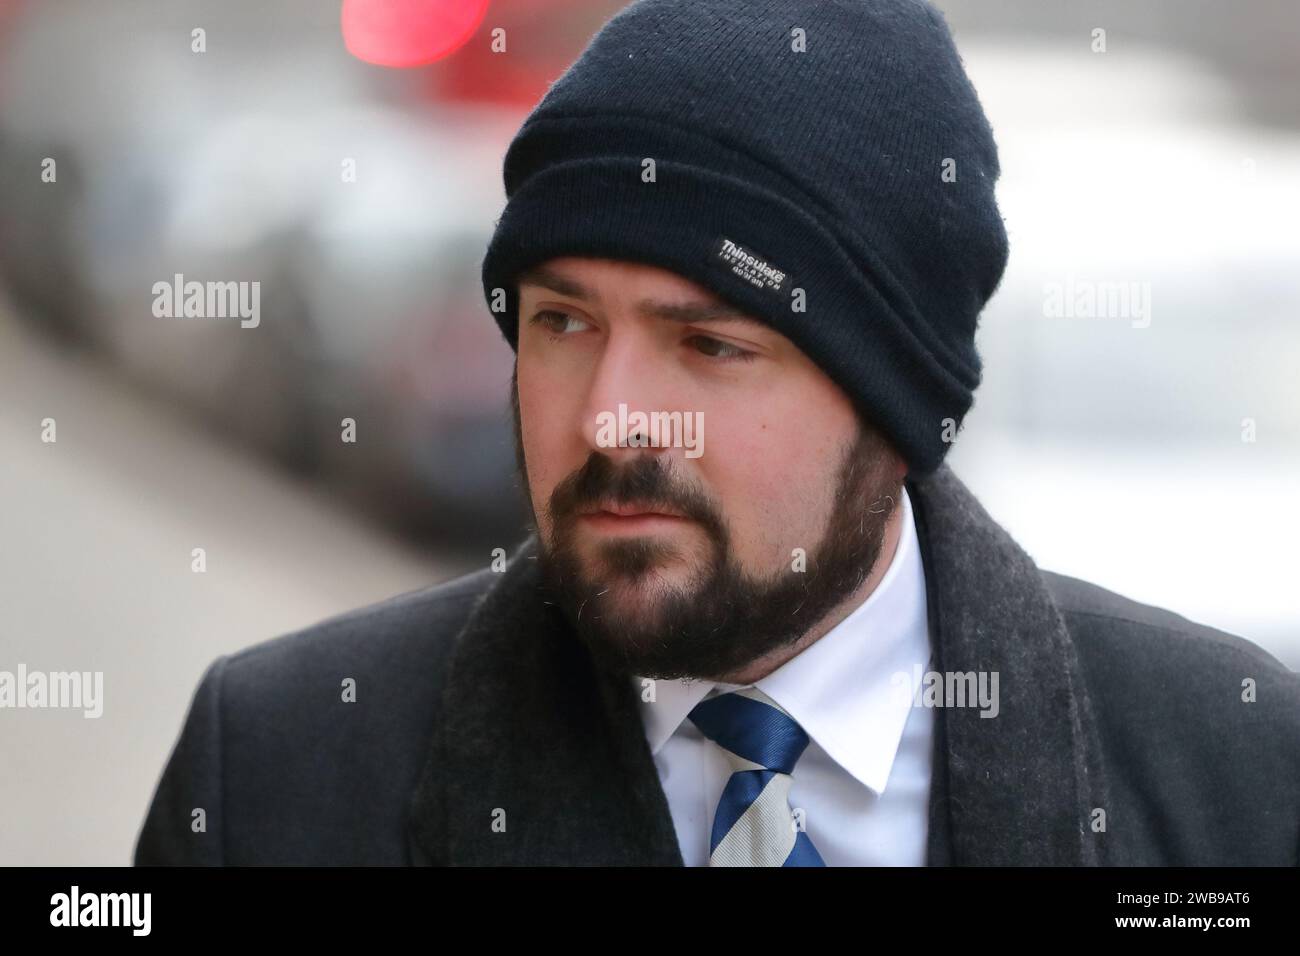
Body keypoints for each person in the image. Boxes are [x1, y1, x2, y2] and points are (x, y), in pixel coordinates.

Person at [134, 0, 1299, 866]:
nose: (608, 417)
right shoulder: (281, 774)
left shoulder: (1230, 775)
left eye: (710, 345)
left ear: (892, 402)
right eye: (561, 322)